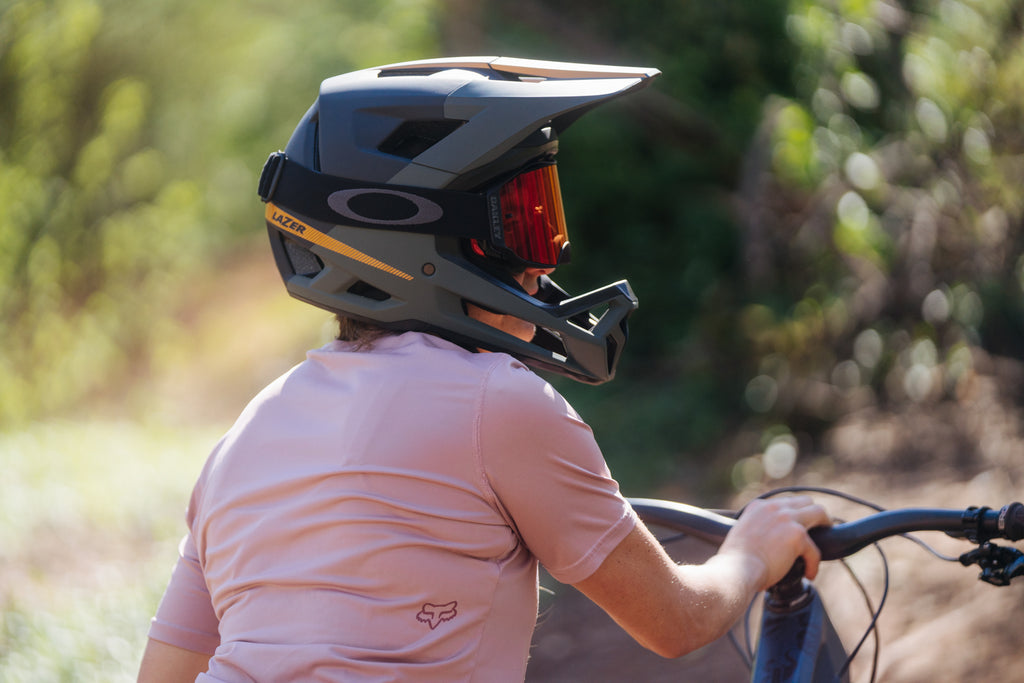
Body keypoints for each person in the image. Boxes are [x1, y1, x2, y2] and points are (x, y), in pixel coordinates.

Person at [138, 56, 830, 682]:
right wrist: (751, 549)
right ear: (418, 238)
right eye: (525, 225)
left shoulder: (244, 436)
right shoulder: (500, 401)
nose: (542, 263)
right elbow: (676, 620)